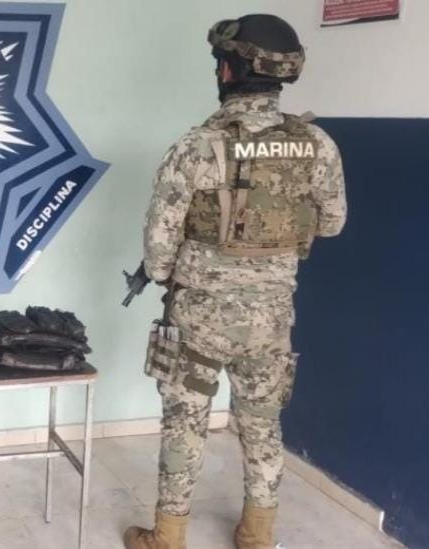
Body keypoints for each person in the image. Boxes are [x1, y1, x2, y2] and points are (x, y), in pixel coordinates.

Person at [124, 14, 347, 549]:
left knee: (186, 423)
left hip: (199, 316)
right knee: (263, 425)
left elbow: (159, 244)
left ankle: (168, 537)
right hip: (272, 317)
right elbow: (333, 223)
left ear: (229, 70)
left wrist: (170, 273)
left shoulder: (198, 145)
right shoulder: (317, 144)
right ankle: (257, 534)